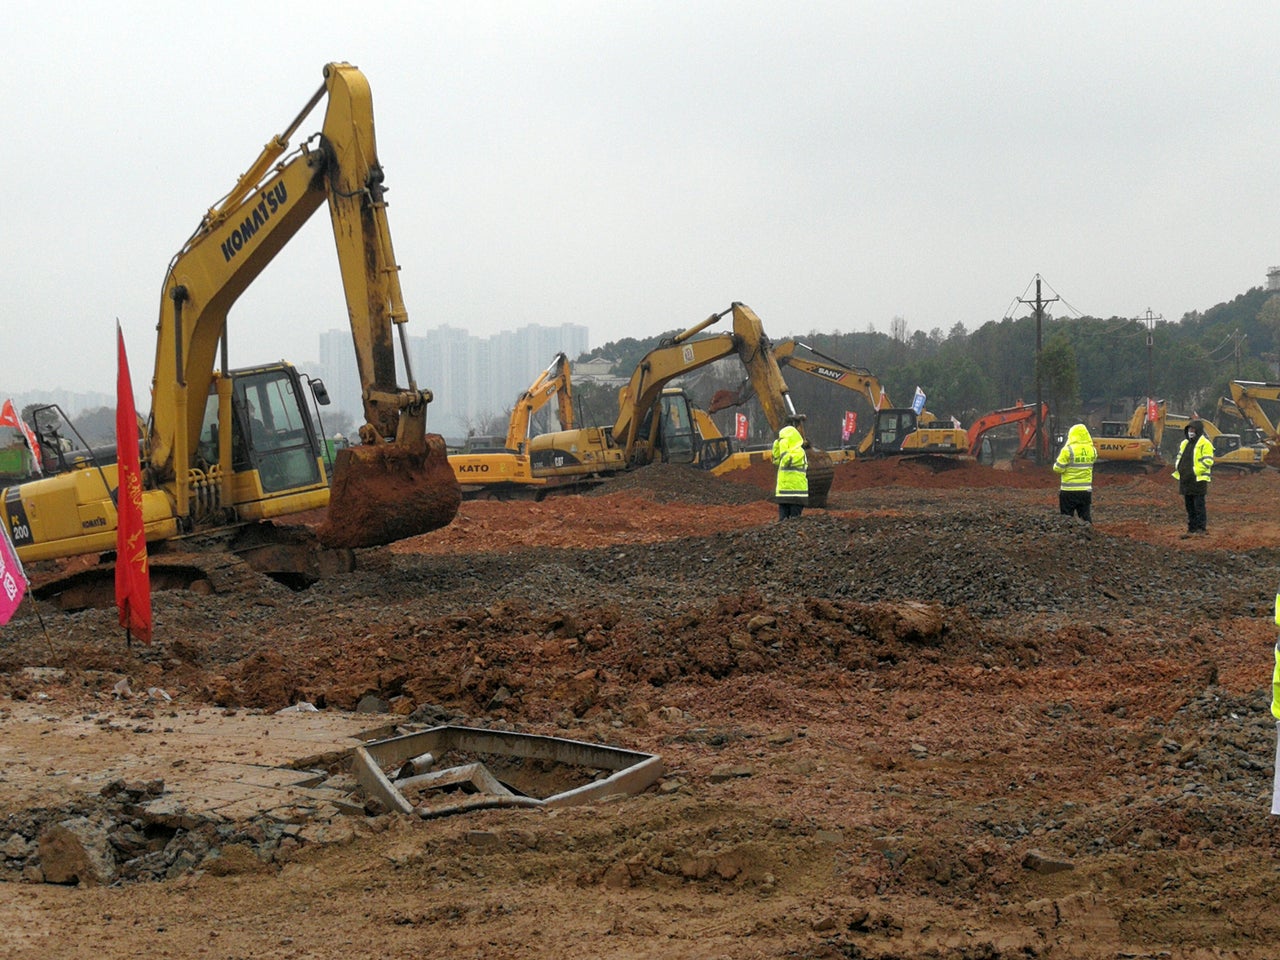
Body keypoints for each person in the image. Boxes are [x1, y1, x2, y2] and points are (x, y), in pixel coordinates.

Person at [1173, 419, 1214, 537]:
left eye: (1193, 430)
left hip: (1198, 480)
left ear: (1198, 431)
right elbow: (1180, 457)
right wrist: (1180, 469)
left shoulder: (1205, 444)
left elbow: (1208, 461)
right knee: (1189, 505)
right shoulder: (1184, 443)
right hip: (1186, 480)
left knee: (1199, 505)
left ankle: (1201, 528)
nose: (1191, 432)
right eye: (1189, 429)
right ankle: (1192, 528)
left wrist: (1194, 471)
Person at [1052, 422, 1097, 522]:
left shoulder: (1067, 450)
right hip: (1085, 491)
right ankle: (1088, 535)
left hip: (1068, 490)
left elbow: (1058, 468)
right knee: (1085, 517)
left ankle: (1069, 536)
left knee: (1066, 519)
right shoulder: (1092, 450)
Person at [772, 424, 808, 521]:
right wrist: (776, 447)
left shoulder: (799, 452)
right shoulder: (786, 452)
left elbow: (787, 460)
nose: (782, 441)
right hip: (783, 495)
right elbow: (776, 461)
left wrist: (783, 446)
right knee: (782, 523)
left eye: (783, 439)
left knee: (794, 522)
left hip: (796, 495)